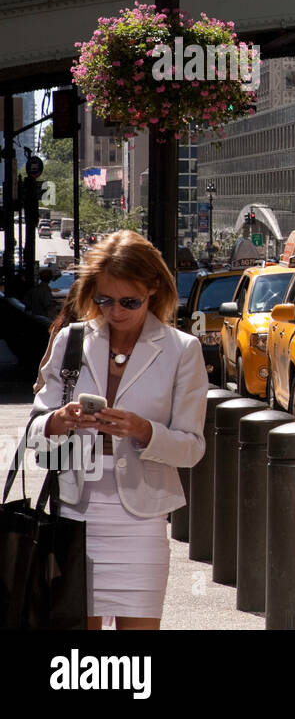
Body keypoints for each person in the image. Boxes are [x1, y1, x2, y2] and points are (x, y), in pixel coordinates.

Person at [25, 230, 208, 631]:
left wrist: (144, 430)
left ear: (153, 289)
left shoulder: (181, 350)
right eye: (104, 300)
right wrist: (60, 420)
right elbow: (35, 437)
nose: (116, 311)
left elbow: (192, 448)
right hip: (73, 513)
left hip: (141, 522)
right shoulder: (72, 341)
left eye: (130, 301)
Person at [33, 276, 83, 395]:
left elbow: (47, 356)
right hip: (66, 381)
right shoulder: (63, 326)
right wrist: (40, 382)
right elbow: (48, 355)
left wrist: (40, 382)